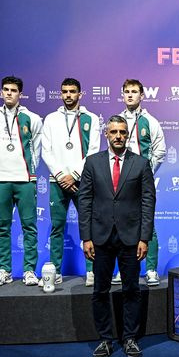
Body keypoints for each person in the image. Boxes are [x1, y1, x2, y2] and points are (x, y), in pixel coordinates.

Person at [78, 115, 156, 357]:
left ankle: (130, 338)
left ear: (128, 134)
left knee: (131, 289)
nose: (119, 136)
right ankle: (105, 339)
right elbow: (85, 201)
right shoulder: (92, 163)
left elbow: (148, 202)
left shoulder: (141, 164)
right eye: (114, 132)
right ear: (106, 134)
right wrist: (86, 237)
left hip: (131, 238)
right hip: (99, 238)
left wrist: (144, 238)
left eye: (123, 132)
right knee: (100, 291)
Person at [0, 76, 44, 287]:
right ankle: (4, 270)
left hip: (25, 179)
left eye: (13, 90)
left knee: (29, 226)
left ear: (20, 94)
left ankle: (29, 270)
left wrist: (28, 171)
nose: (9, 93)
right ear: (1, 92)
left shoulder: (33, 118)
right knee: (2, 227)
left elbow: (35, 148)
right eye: (6, 89)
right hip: (0, 178)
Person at [41, 78, 101, 287]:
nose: (68, 95)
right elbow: (45, 150)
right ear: (60, 94)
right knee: (57, 227)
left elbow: (93, 149)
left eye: (72, 91)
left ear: (80, 94)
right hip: (57, 181)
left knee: (89, 227)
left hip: (82, 180)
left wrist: (74, 174)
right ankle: (55, 271)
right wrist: (60, 175)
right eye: (64, 91)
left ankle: (92, 271)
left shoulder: (91, 118)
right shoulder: (50, 119)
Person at [111, 79, 166, 286]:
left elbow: (160, 150)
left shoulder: (150, 121)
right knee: (119, 224)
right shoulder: (116, 122)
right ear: (122, 95)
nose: (131, 95)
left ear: (142, 95)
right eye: (127, 92)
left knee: (147, 224)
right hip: (119, 181)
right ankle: (122, 270)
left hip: (142, 181)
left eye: (134, 92)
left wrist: (145, 172)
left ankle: (151, 269)